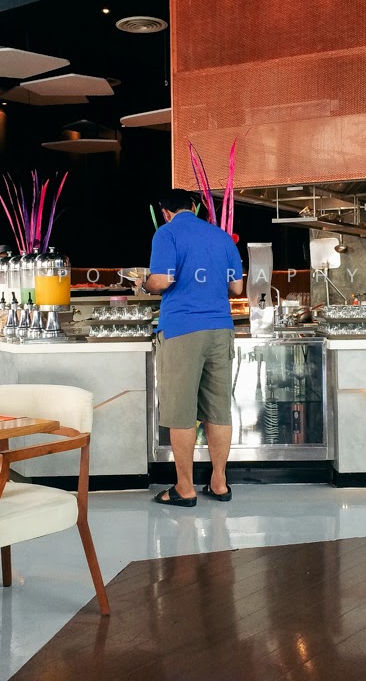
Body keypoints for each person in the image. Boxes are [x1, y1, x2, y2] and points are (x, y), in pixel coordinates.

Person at [142, 189, 243, 507]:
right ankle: (219, 483)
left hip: (182, 330)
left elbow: (161, 281)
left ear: (165, 212)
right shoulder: (222, 237)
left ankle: (185, 489)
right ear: (194, 208)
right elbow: (237, 286)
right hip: (221, 330)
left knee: (181, 412)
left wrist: (143, 283)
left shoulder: (166, 233)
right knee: (218, 410)